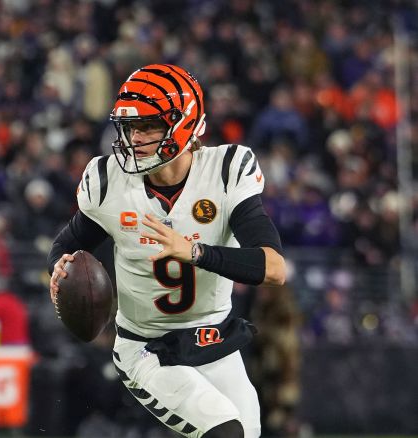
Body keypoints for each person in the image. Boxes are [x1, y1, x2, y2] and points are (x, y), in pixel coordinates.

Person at [48, 64, 286, 438]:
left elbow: (274, 268)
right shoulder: (109, 183)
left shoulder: (226, 172)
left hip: (214, 342)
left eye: (148, 126)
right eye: (130, 127)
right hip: (148, 349)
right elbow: (66, 246)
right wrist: (58, 269)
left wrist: (196, 252)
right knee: (226, 431)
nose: (135, 138)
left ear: (184, 123)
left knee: (245, 430)